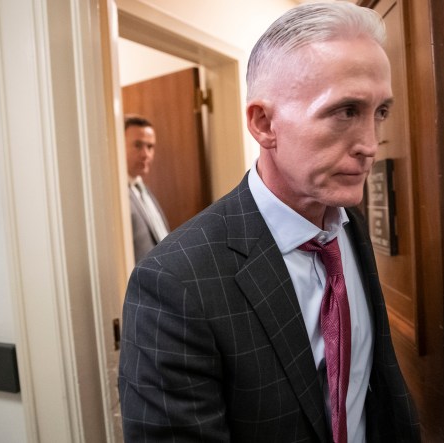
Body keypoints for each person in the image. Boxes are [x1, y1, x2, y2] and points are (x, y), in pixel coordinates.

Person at [119, 3, 420, 442]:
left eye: (380, 112)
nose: (371, 145)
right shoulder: (174, 283)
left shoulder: (348, 227)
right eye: (345, 111)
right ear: (263, 124)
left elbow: (374, 387)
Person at [124, 115, 169, 264]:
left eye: (150, 147)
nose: (146, 154)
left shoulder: (144, 190)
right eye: (138, 145)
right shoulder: (118, 196)